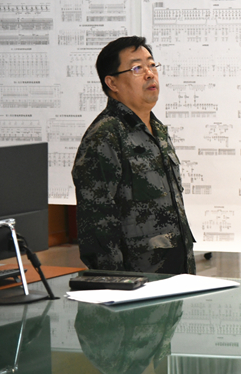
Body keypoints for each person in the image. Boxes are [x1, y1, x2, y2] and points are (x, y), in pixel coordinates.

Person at [72, 36, 196, 274]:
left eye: (152, 65)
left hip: (176, 272)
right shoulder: (105, 135)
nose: (150, 74)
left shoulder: (157, 129)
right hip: (135, 279)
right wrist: (115, 283)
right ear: (112, 83)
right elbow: (96, 225)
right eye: (137, 68)